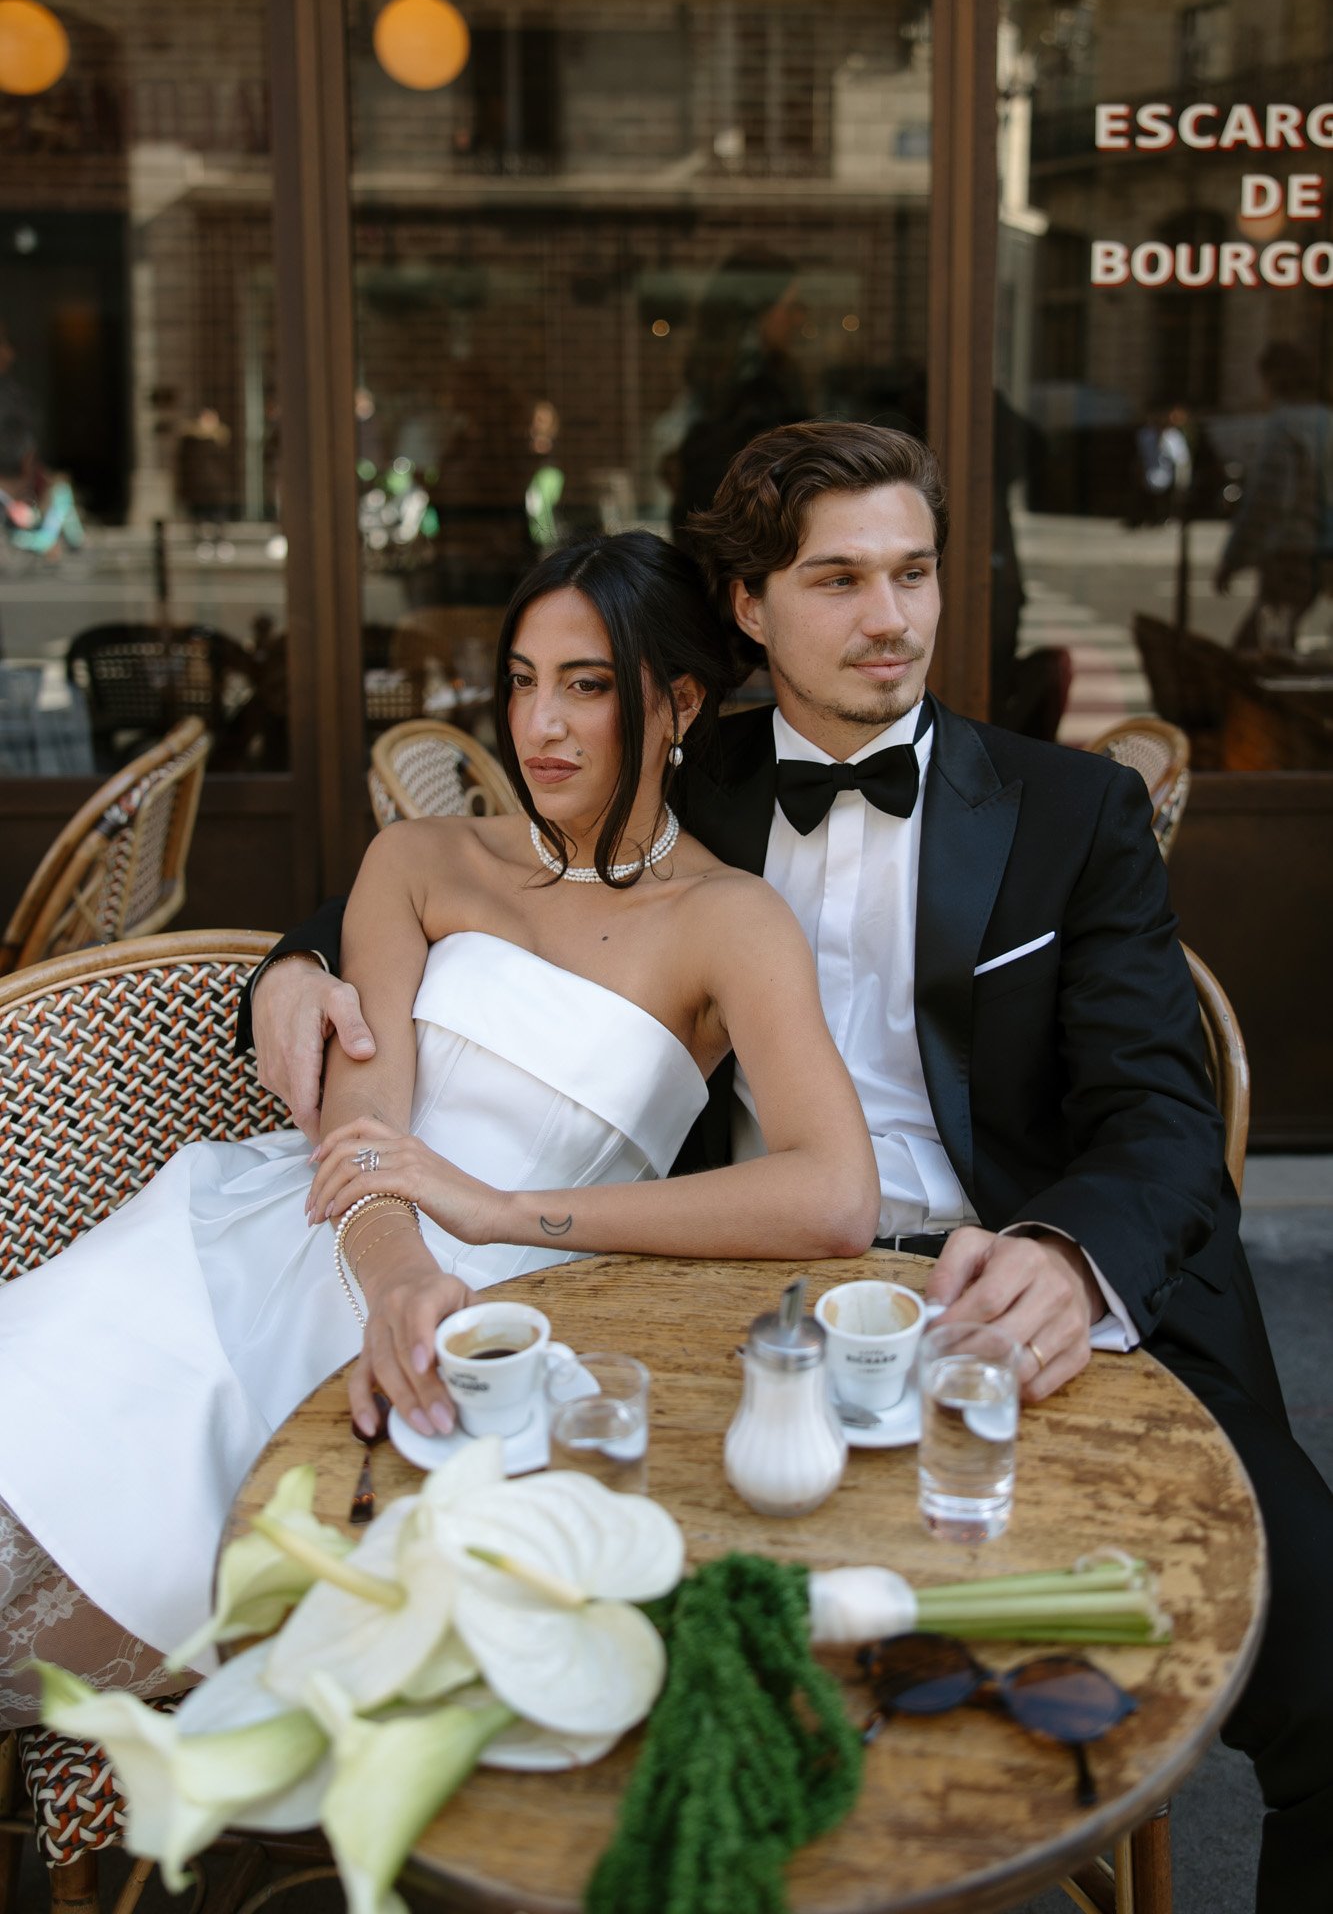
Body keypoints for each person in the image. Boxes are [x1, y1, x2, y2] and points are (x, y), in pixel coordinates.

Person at [254, 425, 1332, 1911]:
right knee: (592, 1662)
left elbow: (1156, 1109)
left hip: (1008, 1288)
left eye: (913, 574)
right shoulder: (676, 770)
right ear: (750, 610)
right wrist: (291, 964)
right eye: (837, 580)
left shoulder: (1068, 815)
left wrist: (1070, 1258)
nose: (889, 618)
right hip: (705, 1287)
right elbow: (459, 890)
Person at [0, 529, 879, 1723]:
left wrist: (502, 1212)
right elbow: (363, 1111)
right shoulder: (422, 856)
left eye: (586, 685)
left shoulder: (731, 919)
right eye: (521, 679)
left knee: (171, 1566)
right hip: (286, 1238)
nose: (541, 727)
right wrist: (399, 1262)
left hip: (497, 1306)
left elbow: (833, 1196)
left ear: (676, 703)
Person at [1215, 340, 1333, 652]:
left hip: (1292, 552)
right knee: (1279, 641)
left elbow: (1268, 502)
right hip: (1323, 550)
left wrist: (1233, 559)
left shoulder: (1285, 427)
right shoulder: (1327, 421)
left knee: (1257, 647)